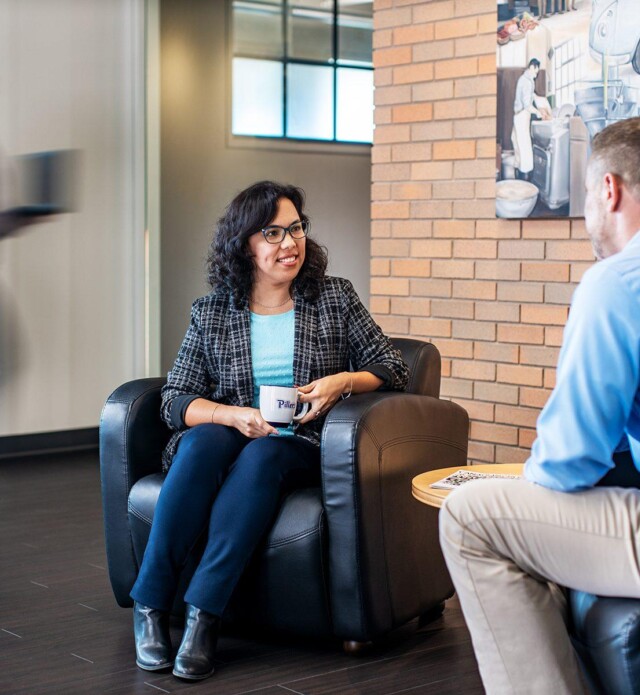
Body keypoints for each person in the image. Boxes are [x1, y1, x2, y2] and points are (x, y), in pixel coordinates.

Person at [130, 180, 409, 681]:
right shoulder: (212, 312)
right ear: (245, 245)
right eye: (273, 233)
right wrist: (229, 415)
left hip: (300, 444)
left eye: (296, 229)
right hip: (224, 438)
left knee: (264, 456)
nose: (290, 244)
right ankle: (149, 606)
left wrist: (344, 382)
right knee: (204, 440)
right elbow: (174, 401)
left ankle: (202, 617)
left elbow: (393, 365)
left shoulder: (334, 298)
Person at [439, 116, 640, 694]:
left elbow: (567, 462)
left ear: (609, 190)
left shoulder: (615, 282)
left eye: (584, 197)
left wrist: (529, 477)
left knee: (470, 518)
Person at [511, 58, 550, 181]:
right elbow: (527, 105)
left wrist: (538, 100)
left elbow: (530, 95)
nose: (536, 75)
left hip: (519, 114)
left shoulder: (524, 79)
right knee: (523, 146)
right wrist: (539, 113)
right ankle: (524, 178)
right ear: (532, 67)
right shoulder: (527, 81)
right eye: (536, 72)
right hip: (522, 114)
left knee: (517, 143)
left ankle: (520, 174)